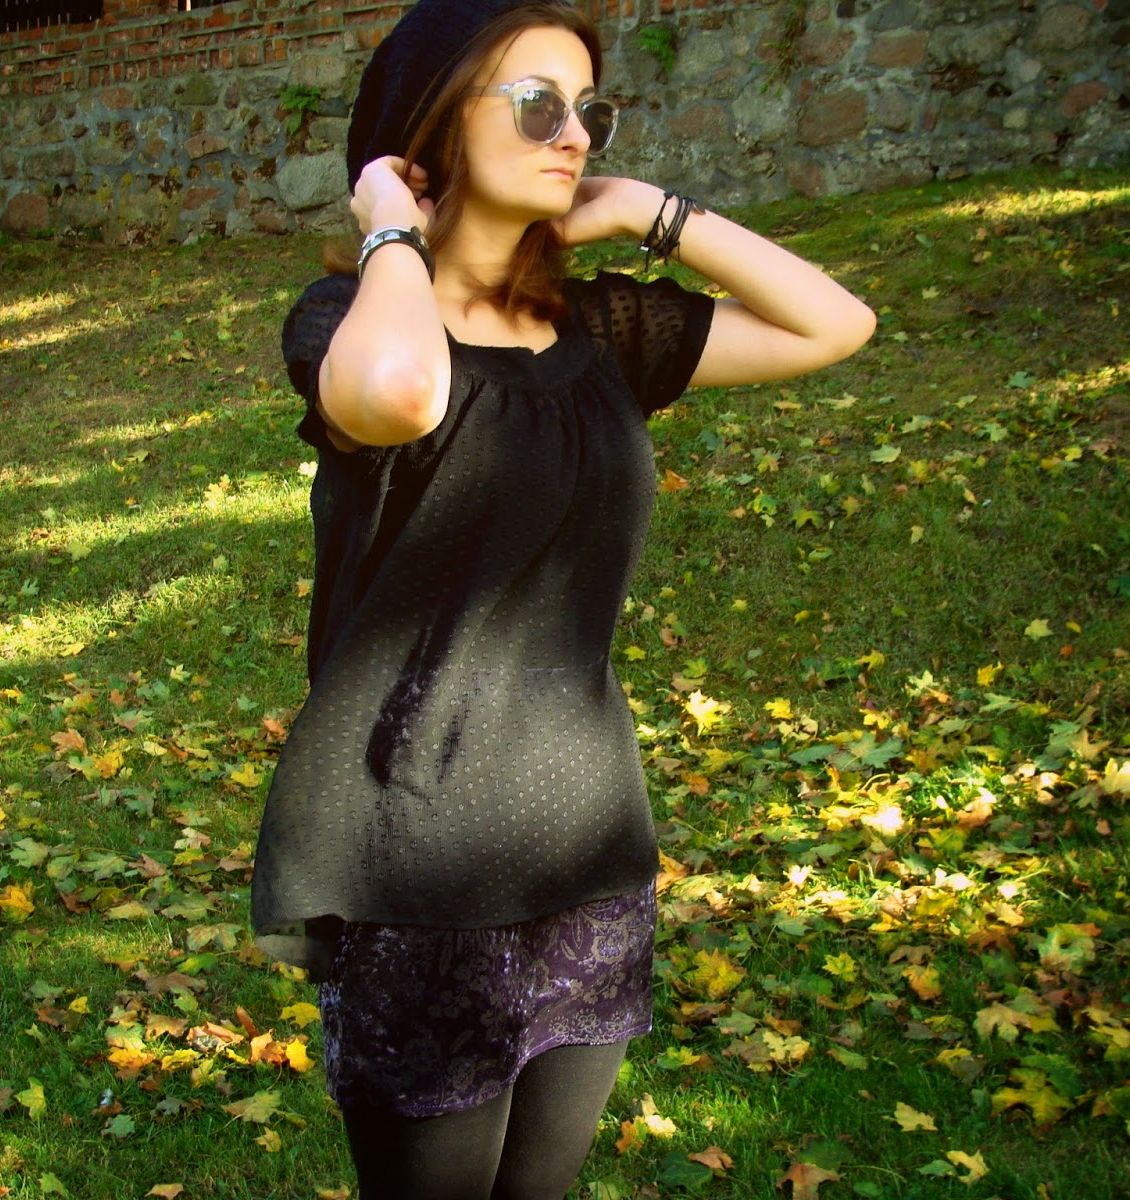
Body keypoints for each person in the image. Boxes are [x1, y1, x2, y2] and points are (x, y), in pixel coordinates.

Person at [249, 0, 875, 1195]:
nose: (574, 134)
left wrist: (645, 210)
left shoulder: (597, 331)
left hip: (586, 841)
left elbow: (835, 324)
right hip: (418, 860)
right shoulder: (347, 322)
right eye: (537, 105)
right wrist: (393, 225)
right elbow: (399, 393)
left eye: (590, 110)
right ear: (435, 123)